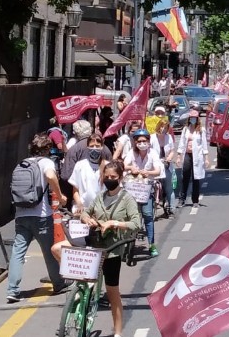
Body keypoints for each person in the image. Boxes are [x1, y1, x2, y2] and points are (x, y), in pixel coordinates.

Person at [79, 160, 141, 337]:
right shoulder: (100, 196)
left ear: (120, 178)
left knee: (113, 293)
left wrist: (115, 223)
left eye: (113, 177)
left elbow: (136, 223)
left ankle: (118, 332)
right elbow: (86, 211)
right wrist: (86, 219)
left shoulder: (127, 198)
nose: (109, 179)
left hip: (112, 249)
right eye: (106, 177)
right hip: (95, 246)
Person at [6, 134, 70, 303]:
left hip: (21, 215)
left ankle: (12, 289)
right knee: (49, 250)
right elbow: (50, 176)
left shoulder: (22, 164)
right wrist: (60, 195)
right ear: (48, 149)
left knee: (18, 253)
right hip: (41, 215)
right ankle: (58, 283)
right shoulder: (46, 162)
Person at [124, 129, 162, 257]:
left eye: (144, 141)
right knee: (131, 216)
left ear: (148, 142)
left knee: (147, 215)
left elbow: (157, 170)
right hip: (133, 188)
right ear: (135, 142)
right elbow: (124, 165)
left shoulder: (153, 153)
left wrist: (148, 173)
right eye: (139, 141)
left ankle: (151, 245)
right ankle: (128, 243)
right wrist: (131, 168)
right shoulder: (131, 153)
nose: (141, 143)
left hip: (146, 188)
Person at [176, 111, 209, 208]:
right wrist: (179, 156)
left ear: (197, 118)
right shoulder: (186, 129)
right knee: (185, 177)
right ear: (189, 119)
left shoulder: (201, 130)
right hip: (187, 155)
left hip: (197, 157)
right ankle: (182, 199)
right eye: (191, 118)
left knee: (196, 178)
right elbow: (182, 143)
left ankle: (195, 200)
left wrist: (206, 158)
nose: (193, 119)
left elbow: (204, 145)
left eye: (194, 117)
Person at [69, 134, 107, 214]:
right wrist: (79, 204)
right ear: (87, 147)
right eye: (92, 146)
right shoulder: (80, 165)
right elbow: (75, 190)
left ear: (102, 147)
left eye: (97, 146)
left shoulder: (107, 166)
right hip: (83, 209)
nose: (94, 148)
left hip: (102, 210)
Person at [151, 118, 177, 217]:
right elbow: (149, 151)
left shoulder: (169, 137)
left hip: (166, 165)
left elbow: (171, 151)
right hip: (156, 166)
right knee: (154, 186)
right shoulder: (152, 138)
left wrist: (169, 158)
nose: (163, 129)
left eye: (165, 127)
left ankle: (171, 208)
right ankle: (153, 207)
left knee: (169, 187)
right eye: (162, 127)